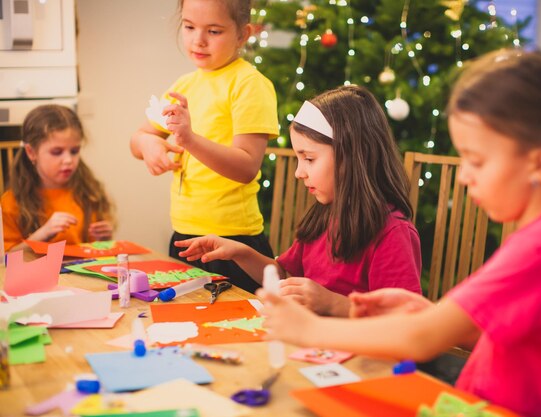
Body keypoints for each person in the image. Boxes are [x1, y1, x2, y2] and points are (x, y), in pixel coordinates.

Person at [257, 50, 541, 417]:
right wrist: (428, 311)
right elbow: (514, 333)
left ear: (538, 163)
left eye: (476, 161)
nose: (463, 176)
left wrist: (309, 330)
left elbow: (420, 339)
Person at [175, 85, 422, 317]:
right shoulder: (324, 215)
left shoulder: (392, 232)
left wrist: (334, 304)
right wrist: (241, 253)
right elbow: (284, 276)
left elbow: (406, 319)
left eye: (309, 159)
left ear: (352, 157)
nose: (299, 172)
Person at [130, 0, 279, 294]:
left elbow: (247, 166)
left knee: (240, 331)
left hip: (234, 243)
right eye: (189, 27)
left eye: (213, 30)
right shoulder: (183, 86)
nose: (198, 40)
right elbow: (138, 137)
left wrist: (189, 139)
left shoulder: (249, 84)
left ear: (243, 34)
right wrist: (148, 144)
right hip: (184, 235)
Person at [1, 105, 114, 252]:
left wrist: (104, 238)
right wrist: (41, 235)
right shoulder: (11, 203)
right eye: (56, 152)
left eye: (74, 151)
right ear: (31, 152)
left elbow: (92, 250)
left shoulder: (89, 192)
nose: (68, 160)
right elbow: (6, 259)